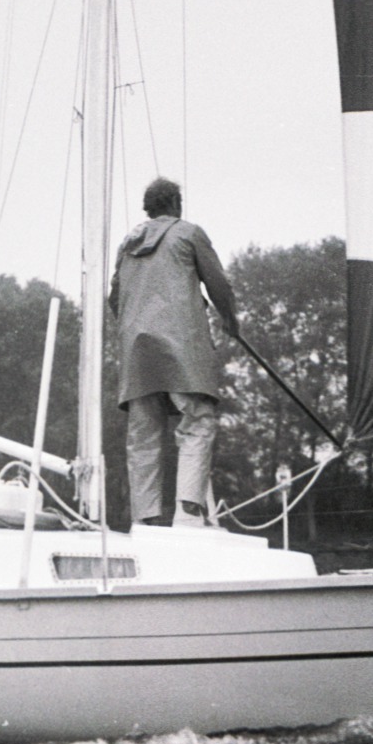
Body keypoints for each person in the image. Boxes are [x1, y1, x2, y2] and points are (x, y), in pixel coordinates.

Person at [109, 177, 239, 527]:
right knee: (198, 421)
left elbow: (114, 299)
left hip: (138, 354)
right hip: (183, 348)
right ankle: (188, 514)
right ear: (177, 205)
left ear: (147, 209)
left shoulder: (128, 244)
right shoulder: (189, 234)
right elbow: (219, 286)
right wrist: (230, 320)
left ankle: (146, 520)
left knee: (143, 436)